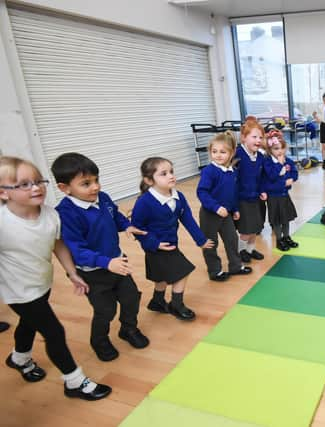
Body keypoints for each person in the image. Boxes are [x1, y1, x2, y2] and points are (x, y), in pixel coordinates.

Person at [0, 156, 111, 400]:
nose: (36, 187)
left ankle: (19, 358)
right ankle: (74, 382)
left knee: (29, 323)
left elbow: (58, 245)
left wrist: (72, 273)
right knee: (54, 332)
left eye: (38, 181)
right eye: (24, 184)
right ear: (3, 193)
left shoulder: (50, 215)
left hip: (42, 282)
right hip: (19, 291)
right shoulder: (3, 223)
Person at [52, 153, 149, 362]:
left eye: (96, 180)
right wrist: (107, 263)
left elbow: (115, 215)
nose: (95, 187)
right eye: (86, 184)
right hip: (93, 273)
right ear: (64, 188)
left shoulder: (102, 197)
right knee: (105, 309)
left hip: (117, 262)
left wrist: (127, 226)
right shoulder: (66, 214)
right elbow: (78, 252)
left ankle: (128, 329)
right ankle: (99, 340)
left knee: (131, 297)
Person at [131, 157, 214, 320]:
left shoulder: (178, 197)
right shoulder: (144, 202)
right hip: (156, 248)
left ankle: (157, 301)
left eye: (171, 172)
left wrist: (201, 240)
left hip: (171, 244)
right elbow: (136, 229)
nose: (170, 176)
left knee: (161, 277)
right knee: (182, 272)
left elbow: (187, 219)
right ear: (149, 180)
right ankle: (177, 304)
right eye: (163, 174)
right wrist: (154, 244)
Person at [197, 131, 253, 282]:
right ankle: (215, 271)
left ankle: (235, 266)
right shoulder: (209, 171)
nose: (218, 155)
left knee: (231, 239)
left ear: (232, 153)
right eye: (214, 152)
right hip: (210, 214)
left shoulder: (232, 172)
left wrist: (234, 209)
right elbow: (202, 192)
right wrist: (215, 207)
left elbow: (232, 193)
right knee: (211, 243)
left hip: (226, 214)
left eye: (223, 152)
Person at [235, 118, 267, 263]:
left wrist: (262, 190)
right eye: (254, 137)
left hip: (255, 198)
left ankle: (250, 249)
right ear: (244, 138)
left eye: (260, 137)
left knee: (255, 227)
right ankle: (240, 250)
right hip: (242, 199)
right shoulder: (237, 155)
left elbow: (261, 178)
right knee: (246, 230)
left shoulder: (260, 156)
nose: (258, 140)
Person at [262, 129, 299, 251]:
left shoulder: (288, 160)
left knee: (286, 217)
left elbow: (294, 173)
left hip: (284, 194)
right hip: (273, 196)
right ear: (270, 150)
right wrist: (279, 164)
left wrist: (291, 180)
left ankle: (286, 237)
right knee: (277, 219)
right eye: (276, 149)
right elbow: (272, 176)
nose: (280, 151)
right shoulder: (268, 162)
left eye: (282, 148)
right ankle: (279, 239)